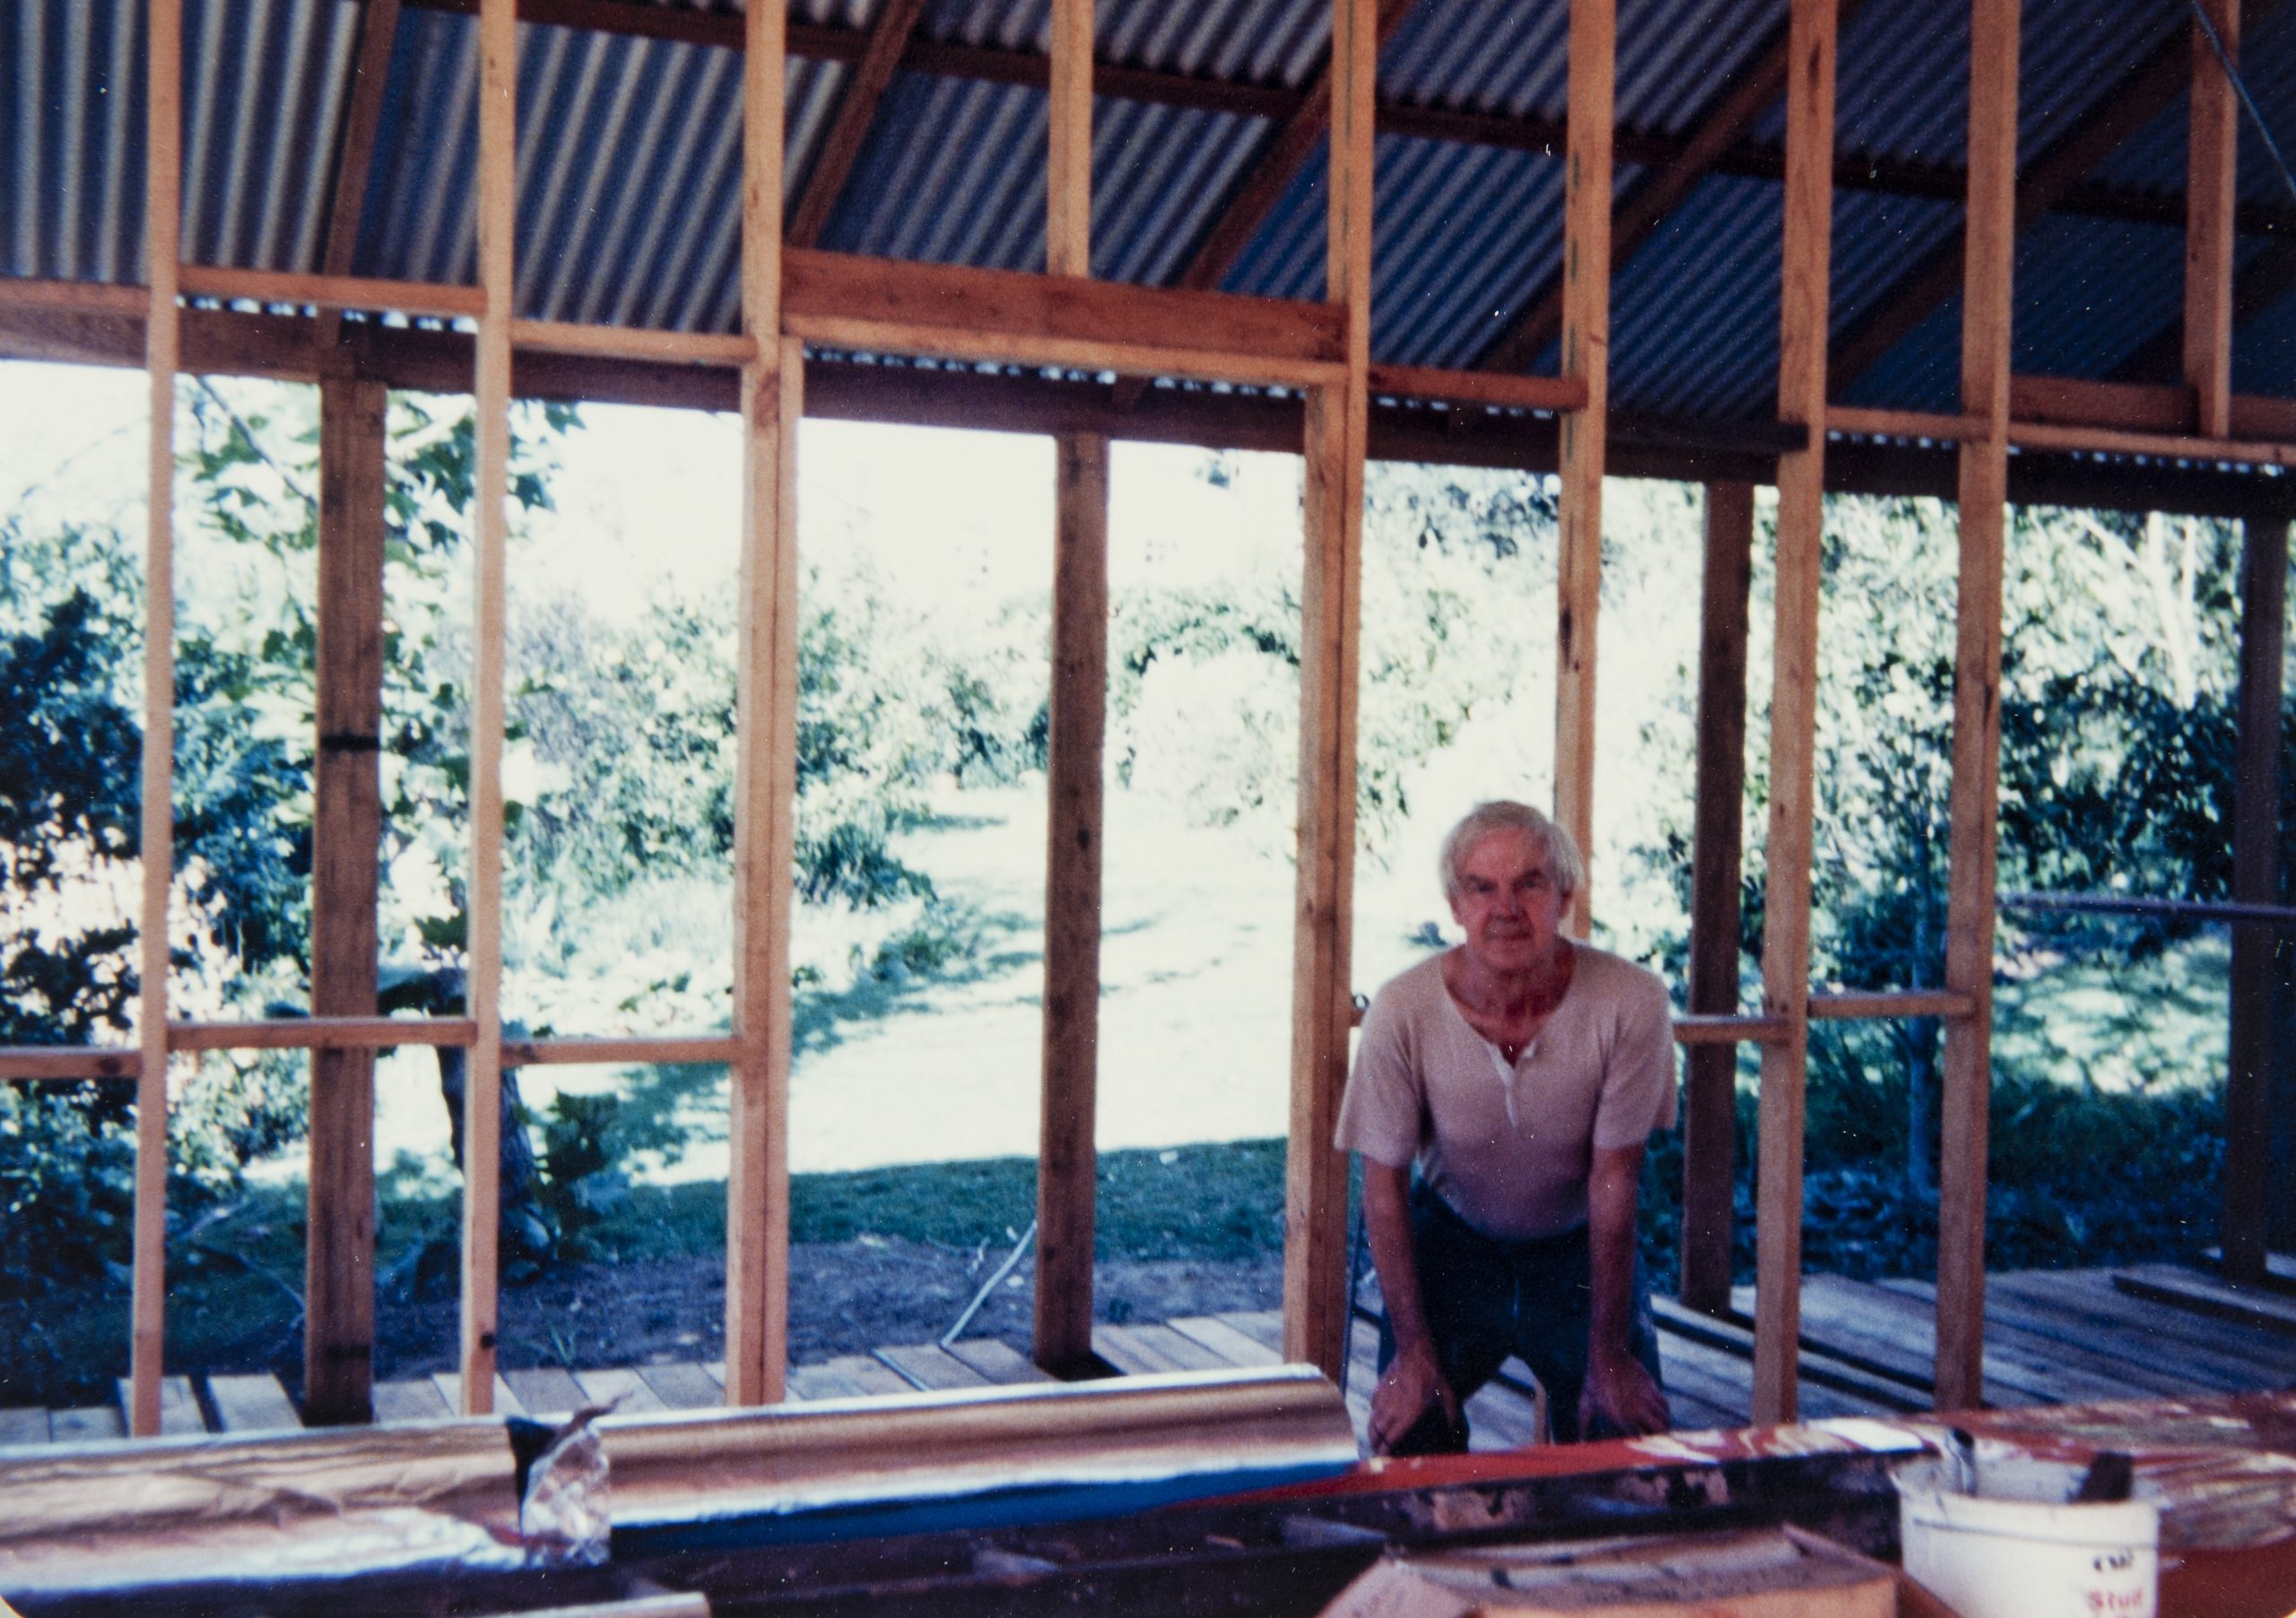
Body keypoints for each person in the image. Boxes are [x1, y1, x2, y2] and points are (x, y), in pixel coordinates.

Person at [1335, 800, 1675, 1454]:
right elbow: (1382, 1189)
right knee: (1412, 1434)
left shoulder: (1632, 1001)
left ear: (1566, 896)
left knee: (1630, 1441)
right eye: (1481, 888)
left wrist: (1609, 1358)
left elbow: (1615, 1181)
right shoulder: (1402, 1009)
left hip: (1577, 1247)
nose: (1506, 908)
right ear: (1455, 905)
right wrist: (1412, 1353)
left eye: (1530, 883)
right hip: (1453, 1242)